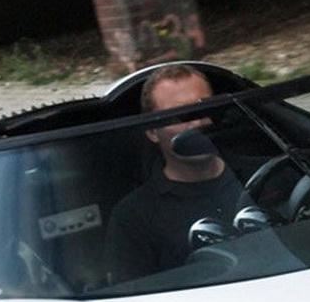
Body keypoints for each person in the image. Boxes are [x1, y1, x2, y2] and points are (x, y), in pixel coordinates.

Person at [103, 65, 252, 282]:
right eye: (181, 116)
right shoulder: (134, 216)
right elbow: (132, 293)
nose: (197, 123)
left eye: (203, 110)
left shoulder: (266, 176)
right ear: (152, 131)